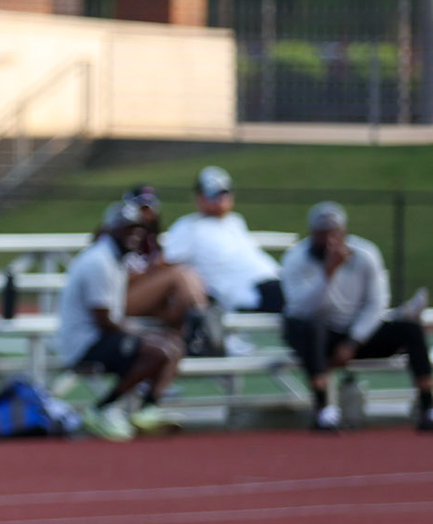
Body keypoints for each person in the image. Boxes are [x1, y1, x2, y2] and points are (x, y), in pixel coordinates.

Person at [280, 202, 431, 432]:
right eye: (323, 234)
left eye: (335, 233)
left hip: (357, 334)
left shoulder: (366, 255)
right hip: (317, 334)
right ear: (312, 234)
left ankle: (427, 405)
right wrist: (327, 273)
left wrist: (353, 341)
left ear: (344, 232)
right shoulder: (296, 259)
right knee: (310, 328)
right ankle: (323, 409)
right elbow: (302, 308)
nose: (330, 241)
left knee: (410, 328)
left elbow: (377, 303)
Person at [55, 200, 185, 441]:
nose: (135, 235)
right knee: (158, 350)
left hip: (101, 336)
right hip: (84, 343)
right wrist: (141, 335)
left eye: (139, 230)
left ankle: (147, 409)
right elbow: (104, 320)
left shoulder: (117, 259)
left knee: (172, 344)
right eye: (128, 229)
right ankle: (103, 408)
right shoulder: (99, 261)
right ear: (112, 230)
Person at [160, 166, 284, 318]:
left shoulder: (235, 221)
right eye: (213, 194)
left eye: (225, 193)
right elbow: (166, 262)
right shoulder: (188, 227)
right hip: (249, 293)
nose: (221, 199)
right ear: (199, 197)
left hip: (275, 280)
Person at [118, 184, 219, 353]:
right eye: (141, 208)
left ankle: (197, 334)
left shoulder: (151, 241)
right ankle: (204, 331)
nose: (146, 213)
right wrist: (153, 272)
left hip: (150, 301)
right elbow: (114, 279)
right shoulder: (121, 236)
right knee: (179, 274)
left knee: (184, 277)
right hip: (119, 299)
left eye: (149, 208)